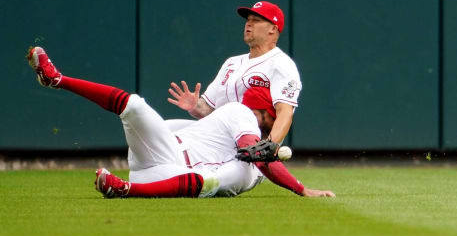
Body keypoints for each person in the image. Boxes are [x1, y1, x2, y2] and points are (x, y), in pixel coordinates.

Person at [27, 46, 335, 198]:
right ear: (262, 113)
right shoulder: (241, 114)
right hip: (169, 158)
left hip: (165, 174)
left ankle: (126, 189)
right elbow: (252, 147)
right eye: (267, 115)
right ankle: (56, 79)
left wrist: (286, 177)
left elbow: (255, 157)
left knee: (220, 178)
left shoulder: (248, 156)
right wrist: (301, 189)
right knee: (134, 105)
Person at [168, 1, 301, 144]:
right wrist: (194, 106)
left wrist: (269, 146)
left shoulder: (281, 64)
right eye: (248, 20)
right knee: (167, 129)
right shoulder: (232, 63)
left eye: (256, 20)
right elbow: (207, 110)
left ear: (273, 29)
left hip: (248, 145)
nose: (249, 24)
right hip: (217, 137)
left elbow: (285, 113)